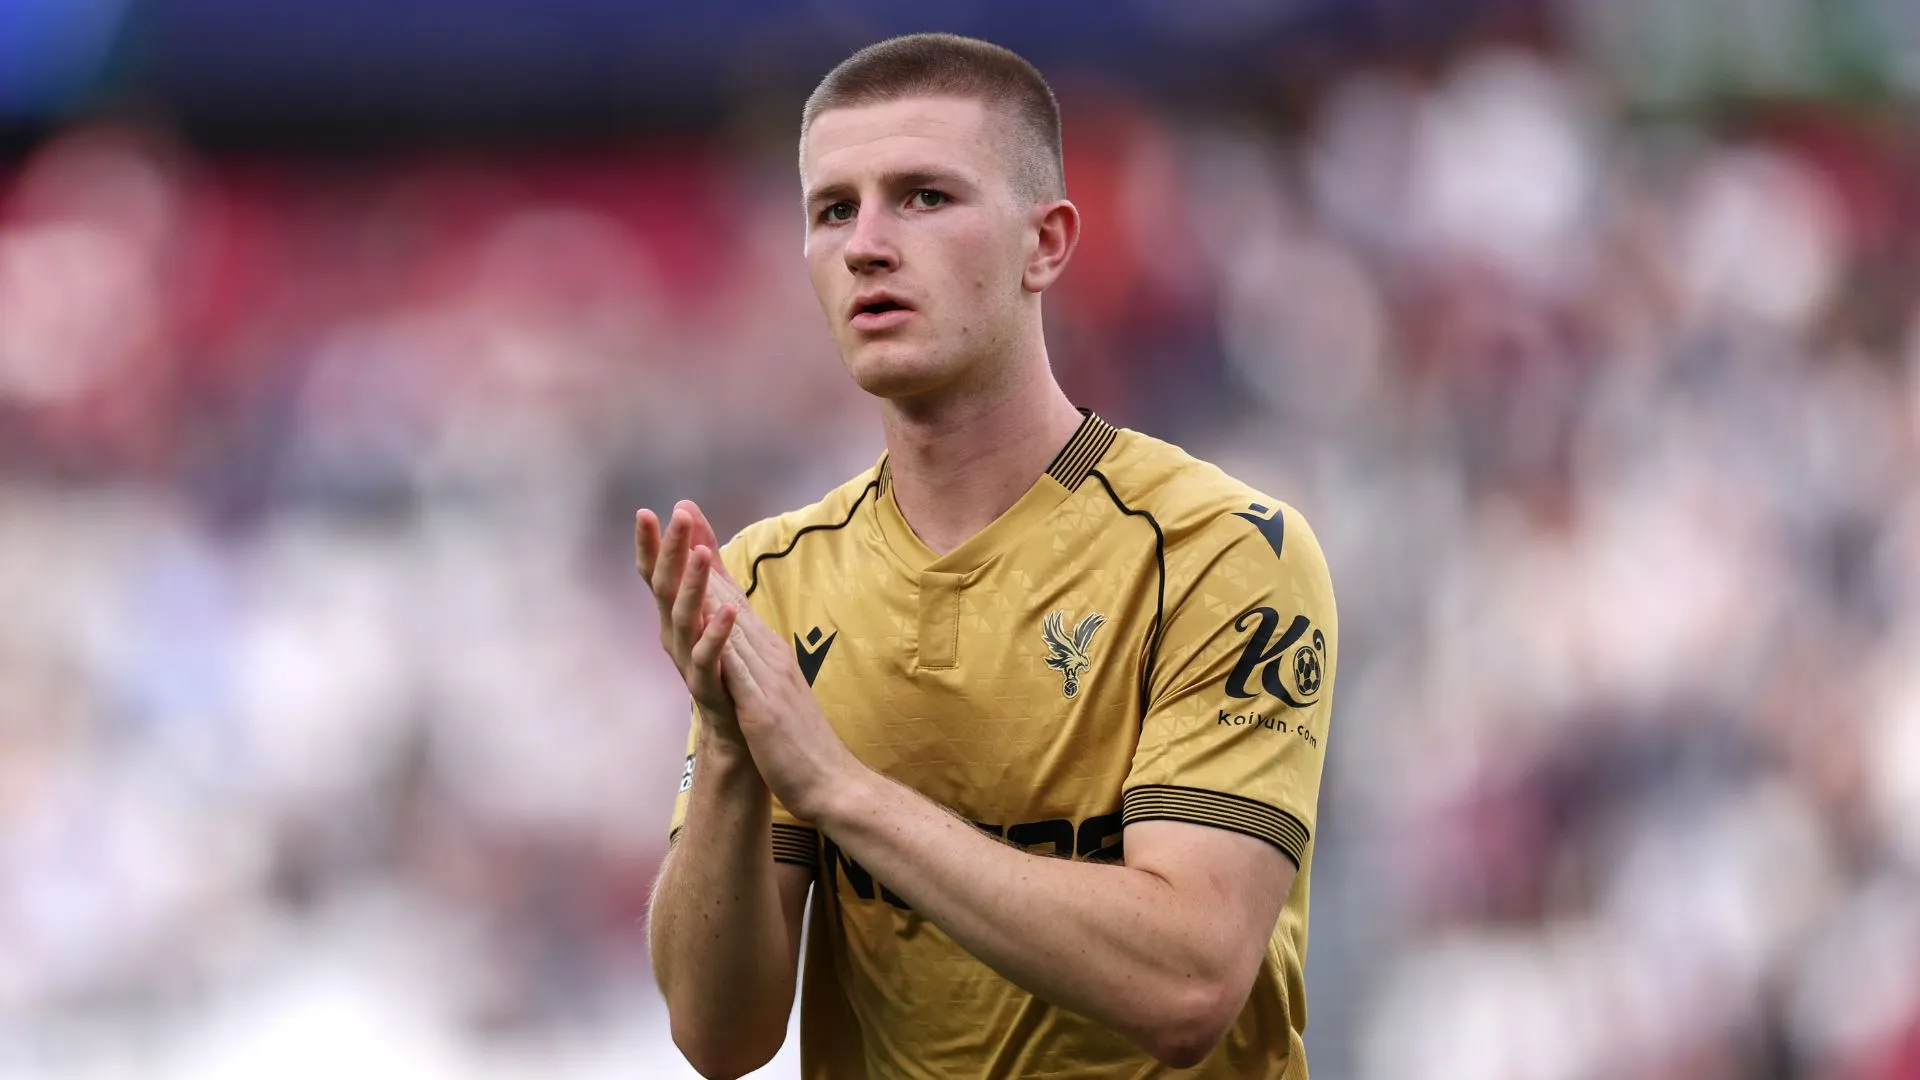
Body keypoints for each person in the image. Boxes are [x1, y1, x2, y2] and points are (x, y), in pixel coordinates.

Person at [639, 32, 1335, 1079]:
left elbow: (1186, 984)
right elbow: (720, 1038)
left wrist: (840, 789)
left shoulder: (1218, 550)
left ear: (1045, 244)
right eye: (834, 210)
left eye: (923, 197)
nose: (868, 244)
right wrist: (736, 754)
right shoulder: (771, 579)